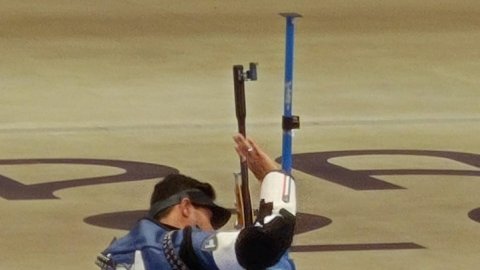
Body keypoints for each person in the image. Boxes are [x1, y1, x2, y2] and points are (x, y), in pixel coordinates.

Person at [95, 134, 297, 270]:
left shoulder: (123, 253)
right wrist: (276, 179)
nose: (211, 231)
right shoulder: (178, 246)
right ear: (185, 208)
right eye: (208, 219)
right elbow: (264, 243)